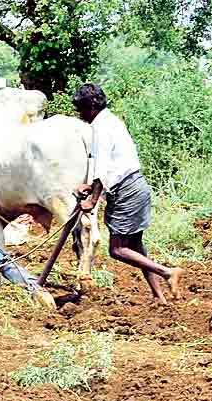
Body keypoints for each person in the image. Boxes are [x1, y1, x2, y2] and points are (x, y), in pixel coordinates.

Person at [72, 83, 183, 303]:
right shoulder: (111, 121)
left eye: (82, 109)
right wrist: (89, 186)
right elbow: (111, 166)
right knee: (136, 247)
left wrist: (93, 200)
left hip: (126, 192)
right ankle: (159, 296)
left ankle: (168, 272)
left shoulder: (101, 127)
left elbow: (103, 168)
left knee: (118, 249)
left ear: (92, 105)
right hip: (136, 185)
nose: (81, 114)